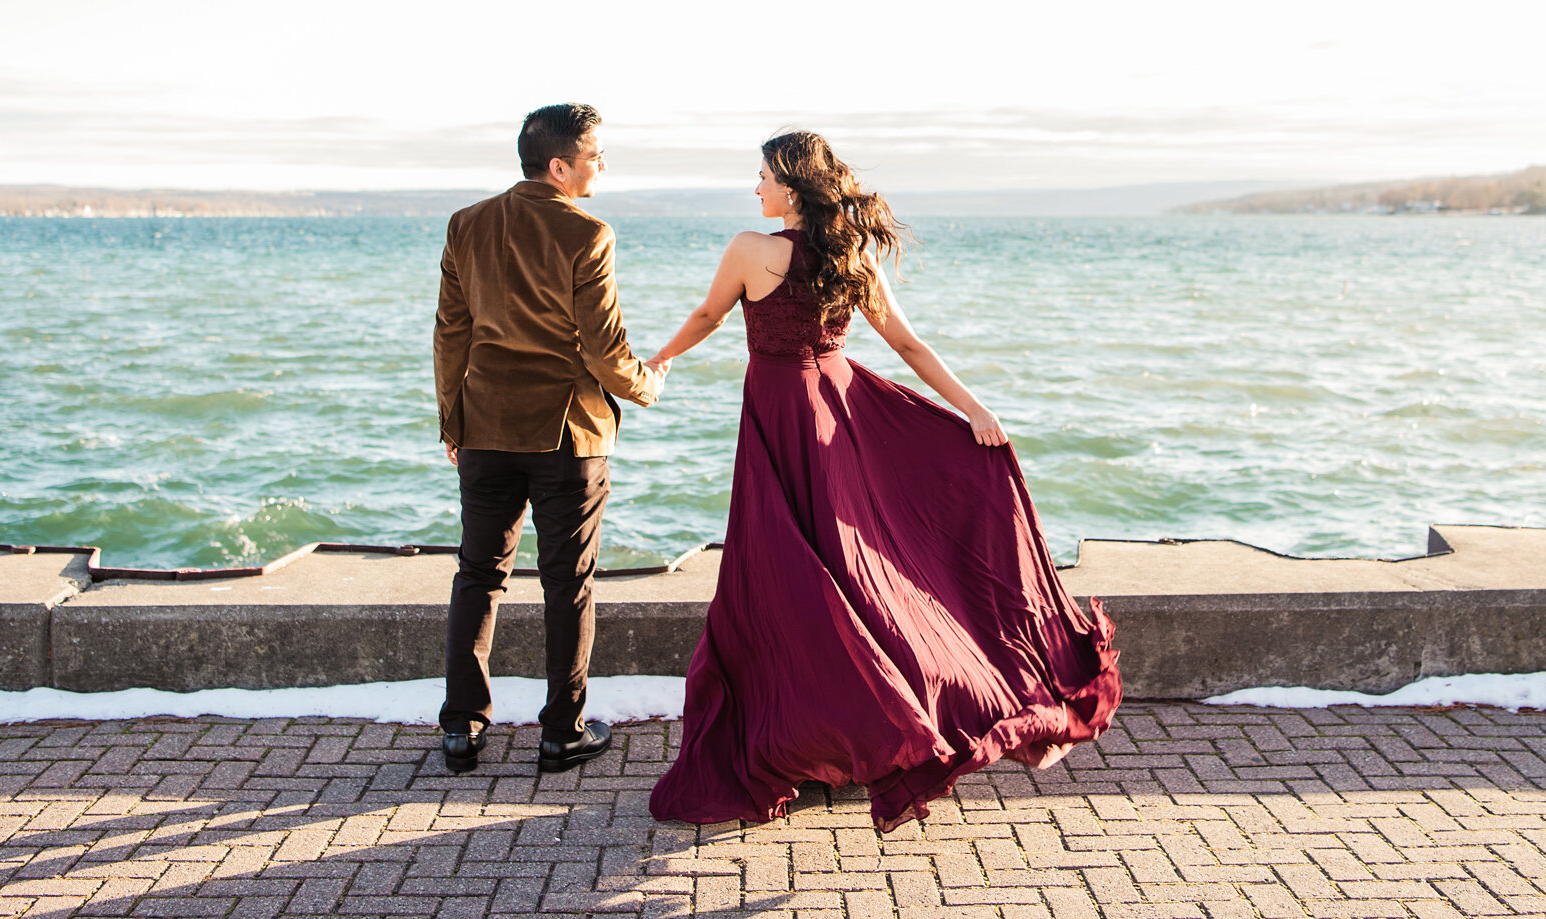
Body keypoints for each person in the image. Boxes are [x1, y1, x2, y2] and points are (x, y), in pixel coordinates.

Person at [645, 131, 1120, 831]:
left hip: (785, 416)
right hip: (837, 413)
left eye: (764, 177)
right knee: (841, 576)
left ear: (793, 184)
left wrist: (658, 358)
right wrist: (973, 406)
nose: (756, 189)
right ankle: (846, 735)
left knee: (787, 581)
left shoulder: (751, 249)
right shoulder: (851, 253)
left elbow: (709, 315)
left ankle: (829, 736)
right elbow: (906, 342)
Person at [433, 102, 667, 774]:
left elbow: (452, 332)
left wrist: (452, 419)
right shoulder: (587, 232)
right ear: (561, 164)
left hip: (483, 426)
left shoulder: (466, 223)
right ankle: (562, 731)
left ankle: (461, 728)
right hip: (567, 434)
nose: (602, 164)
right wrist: (648, 384)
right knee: (568, 583)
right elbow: (604, 349)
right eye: (595, 153)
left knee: (478, 573)